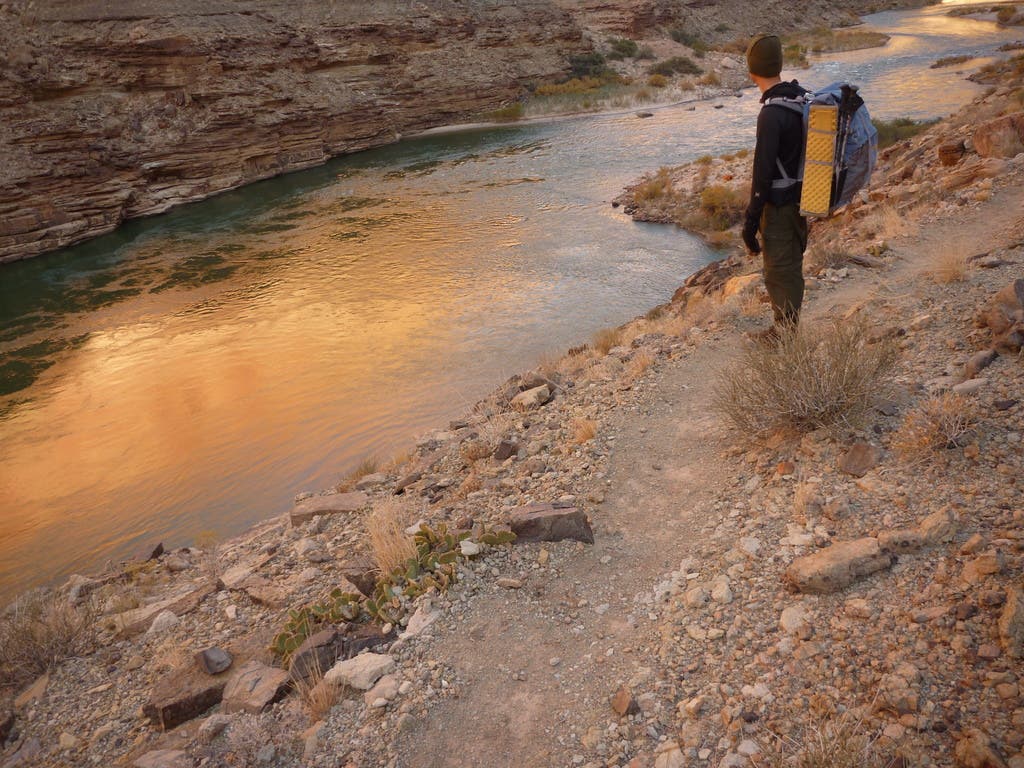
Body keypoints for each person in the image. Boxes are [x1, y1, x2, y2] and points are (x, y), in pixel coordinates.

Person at [741, 34, 809, 343]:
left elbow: (763, 172)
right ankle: (786, 328)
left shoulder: (771, 112)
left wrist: (751, 220)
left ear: (752, 70)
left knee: (779, 269)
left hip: (780, 205)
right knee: (790, 263)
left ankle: (784, 334)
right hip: (799, 198)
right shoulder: (797, 98)